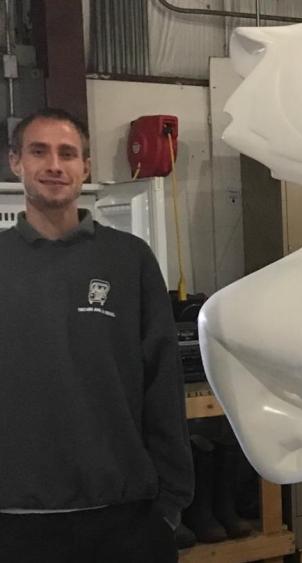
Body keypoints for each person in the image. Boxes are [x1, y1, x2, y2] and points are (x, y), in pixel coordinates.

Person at [0, 108, 194, 562]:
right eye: (38, 151)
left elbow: (163, 382)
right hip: (13, 517)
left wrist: (171, 502)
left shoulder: (129, 260)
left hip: (122, 515)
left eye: (68, 153)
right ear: (15, 162)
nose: (54, 165)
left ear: (85, 168)